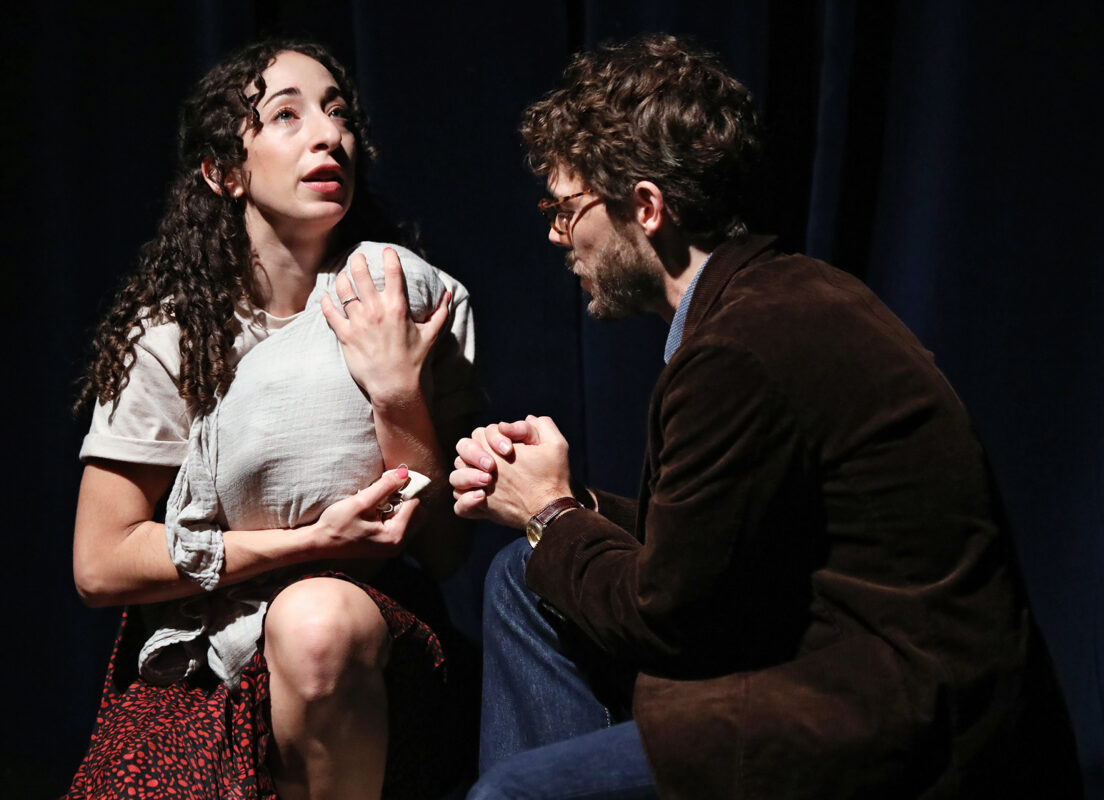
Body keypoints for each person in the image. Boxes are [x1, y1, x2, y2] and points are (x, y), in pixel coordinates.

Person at [451, 33, 1081, 799]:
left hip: (898, 721)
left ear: (646, 207)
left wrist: (549, 512)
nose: (556, 231)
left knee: (509, 794)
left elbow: (670, 620)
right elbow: (721, 548)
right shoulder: (775, 299)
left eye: (566, 206)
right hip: (830, 661)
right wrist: (569, 504)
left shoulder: (739, 349)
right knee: (523, 575)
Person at [66, 38, 479, 800]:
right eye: (286, 115)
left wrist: (396, 393)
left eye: (338, 113)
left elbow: (447, 549)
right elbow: (100, 563)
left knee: (317, 621)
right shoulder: (173, 337)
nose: (329, 135)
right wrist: (305, 542)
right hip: (207, 660)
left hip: (364, 639)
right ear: (224, 172)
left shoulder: (402, 298)